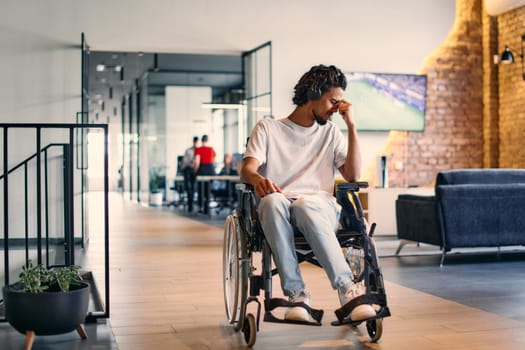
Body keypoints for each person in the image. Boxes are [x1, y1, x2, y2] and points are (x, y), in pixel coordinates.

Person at [240, 64, 375, 323]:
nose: (337, 108)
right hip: (279, 206)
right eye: (333, 101)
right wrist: (259, 179)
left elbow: (353, 175)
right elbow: (248, 168)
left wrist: (352, 127)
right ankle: (297, 295)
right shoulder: (268, 128)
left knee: (304, 205)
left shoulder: (331, 132)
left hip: (318, 206)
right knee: (270, 203)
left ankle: (348, 289)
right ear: (313, 93)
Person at [194, 134, 217, 213]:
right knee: (208, 189)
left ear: (202, 140)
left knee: (200, 189)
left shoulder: (198, 149)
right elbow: (213, 159)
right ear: (207, 140)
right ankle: (207, 207)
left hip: (202, 169)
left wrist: (195, 171)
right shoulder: (211, 149)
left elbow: (197, 161)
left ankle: (201, 207)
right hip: (210, 169)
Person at [181, 136, 199, 212]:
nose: (196, 144)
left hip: (197, 171)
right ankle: (190, 205)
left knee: (195, 187)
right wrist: (191, 161)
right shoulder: (188, 151)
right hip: (189, 169)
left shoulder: (200, 151)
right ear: (193, 142)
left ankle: (199, 205)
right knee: (189, 188)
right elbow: (184, 162)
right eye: (195, 142)